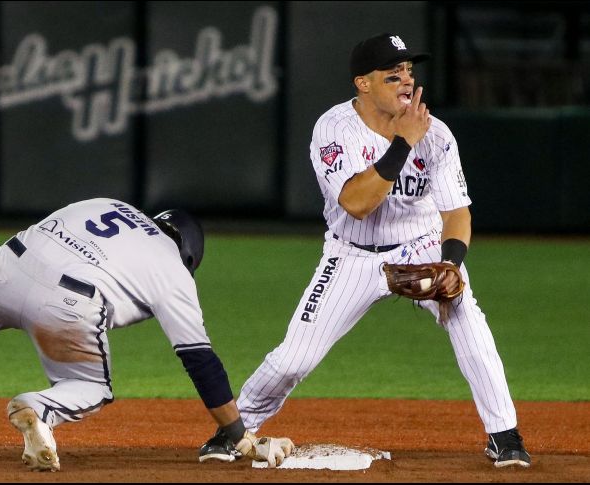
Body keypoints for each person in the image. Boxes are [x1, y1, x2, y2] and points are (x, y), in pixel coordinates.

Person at [199, 33, 530, 468]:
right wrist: (403, 142)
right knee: (294, 359)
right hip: (351, 255)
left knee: (468, 320)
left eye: (410, 72)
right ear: (363, 83)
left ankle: (504, 436)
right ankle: (234, 430)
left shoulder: (437, 134)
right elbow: (356, 204)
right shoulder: (335, 129)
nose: (407, 82)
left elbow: (457, 212)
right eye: (393, 75)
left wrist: (451, 263)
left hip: (420, 245)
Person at [0, 198, 293, 471]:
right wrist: (240, 436)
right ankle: (40, 408)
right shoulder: (173, 269)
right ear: (189, 253)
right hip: (67, 300)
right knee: (88, 385)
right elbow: (199, 359)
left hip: (2, 264)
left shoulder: (107, 203)